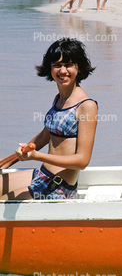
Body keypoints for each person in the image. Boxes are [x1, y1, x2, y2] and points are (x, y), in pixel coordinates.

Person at [0, 38, 98, 200]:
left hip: (58, 187)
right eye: (57, 65)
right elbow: (46, 135)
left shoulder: (86, 106)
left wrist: (36, 156)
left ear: (79, 68)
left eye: (69, 65)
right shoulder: (59, 99)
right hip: (42, 174)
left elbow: (82, 161)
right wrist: (9, 160)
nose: (63, 70)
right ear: (50, 68)